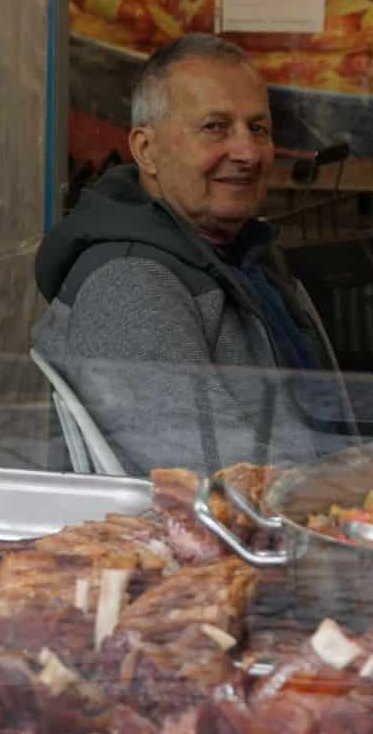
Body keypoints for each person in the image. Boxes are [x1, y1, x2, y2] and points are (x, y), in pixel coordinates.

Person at [32, 33, 346, 473]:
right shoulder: (129, 283)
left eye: (258, 128)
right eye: (214, 128)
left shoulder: (245, 253)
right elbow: (215, 478)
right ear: (147, 150)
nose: (247, 152)